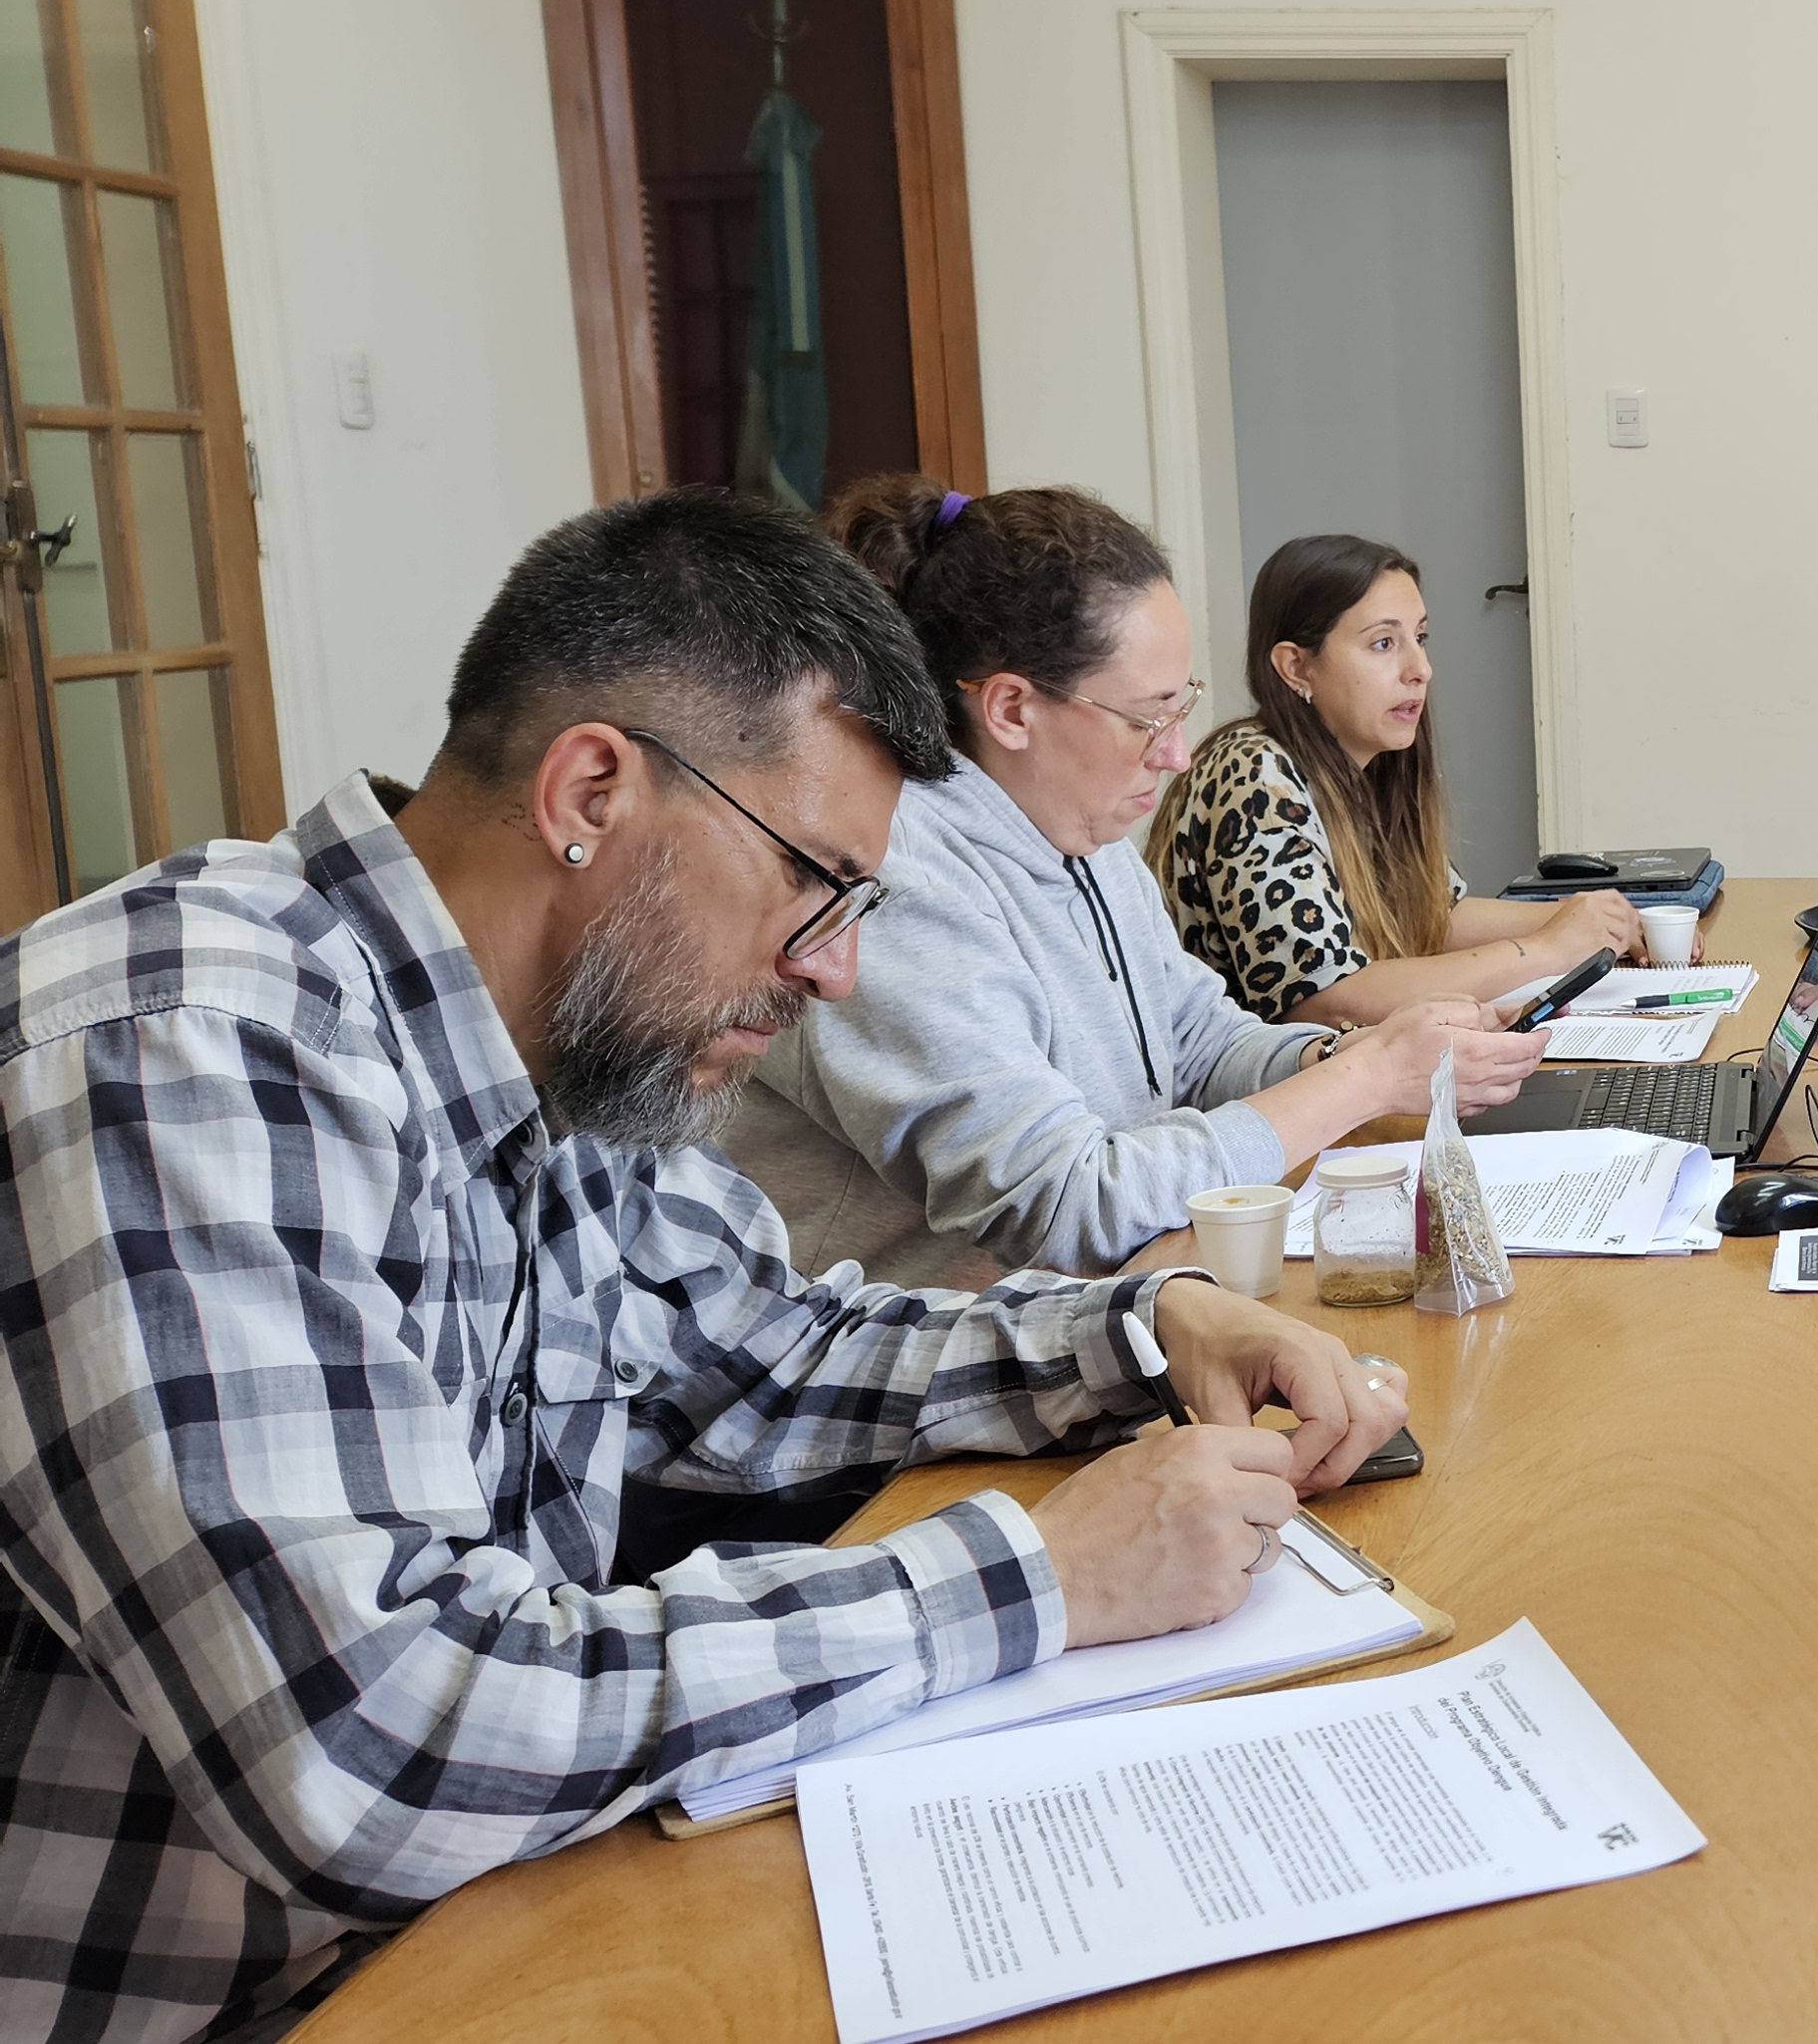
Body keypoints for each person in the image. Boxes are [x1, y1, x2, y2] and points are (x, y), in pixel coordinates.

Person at [0, 490, 1416, 2044]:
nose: (835, 966)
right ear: (592, 791)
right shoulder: (181, 1048)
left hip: (490, 1923)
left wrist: (1143, 1326)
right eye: (816, 880)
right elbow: (378, 1743)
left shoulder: (561, 1037)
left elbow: (759, 1350)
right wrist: (1038, 1579)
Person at [732, 483, 1544, 1289]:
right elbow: (1066, 1208)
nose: (1178, 753)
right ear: (1012, 709)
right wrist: (1365, 1080)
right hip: (935, 1377)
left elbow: (1200, 1044)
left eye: (1181, 705)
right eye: (1148, 717)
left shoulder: (1085, 833)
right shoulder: (892, 878)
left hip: (1120, 1312)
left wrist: (1345, 1050)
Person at [1158, 531, 1642, 1027]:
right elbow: (1325, 998)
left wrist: (1598, 921)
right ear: (1296, 666)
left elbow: (1434, 914)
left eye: (1421, 637)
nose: (1421, 668)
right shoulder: (1252, 775)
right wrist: (1547, 949)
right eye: (1384, 643)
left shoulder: (1364, 757)